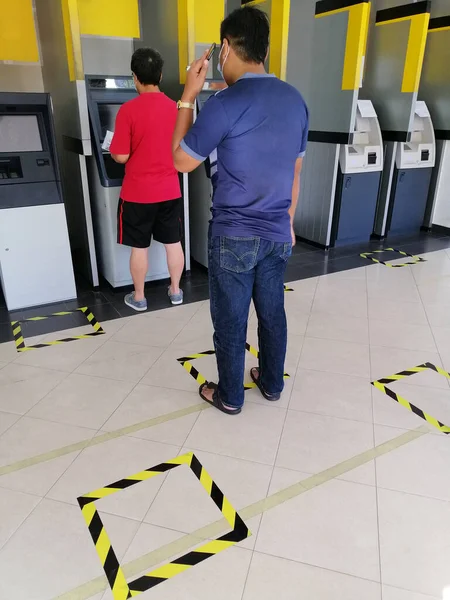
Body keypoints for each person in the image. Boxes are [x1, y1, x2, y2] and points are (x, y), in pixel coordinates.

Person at [172, 6, 309, 414]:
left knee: (230, 321)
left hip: (233, 234)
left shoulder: (223, 103)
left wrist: (186, 98)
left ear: (226, 48)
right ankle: (270, 384)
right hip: (278, 234)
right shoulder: (295, 100)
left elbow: (181, 160)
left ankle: (230, 396)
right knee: (272, 313)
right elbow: (295, 171)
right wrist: (288, 222)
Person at [111, 47, 184, 311]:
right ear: (161, 75)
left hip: (137, 193)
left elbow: (119, 155)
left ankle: (139, 297)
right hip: (169, 190)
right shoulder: (176, 108)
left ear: (134, 77)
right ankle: (175, 291)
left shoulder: (127, 110)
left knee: (139, 247)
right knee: (173, 243)